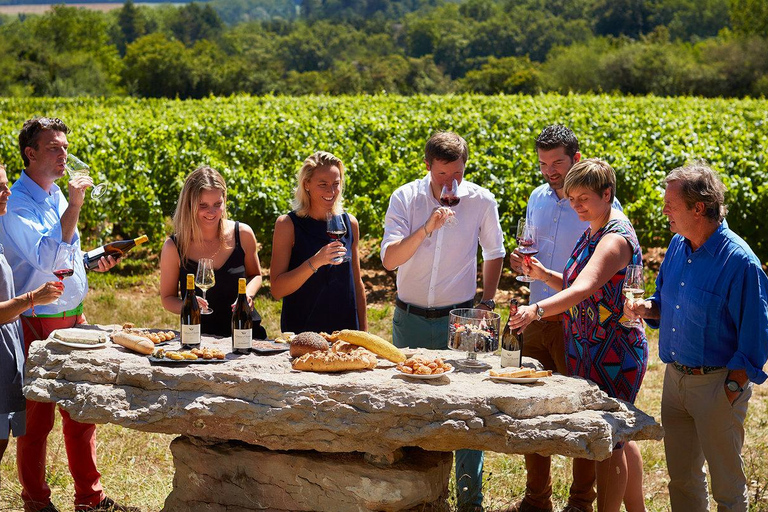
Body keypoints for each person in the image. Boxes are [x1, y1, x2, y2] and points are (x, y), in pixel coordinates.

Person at [0, 117, 138, 512]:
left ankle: (89, 500)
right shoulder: (15, 205)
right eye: (54, 148)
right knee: (37, 421)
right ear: (31, 153)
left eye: (65, 147)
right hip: (35, 321)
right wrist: (76, 205)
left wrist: (93, 260)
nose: (64, 155)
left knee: (82, 411)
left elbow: (67, 256)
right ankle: (36, 502)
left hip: (73, 316)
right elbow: (45, 259)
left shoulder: (57, 194)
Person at [624, 163, 768, 512]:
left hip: (717, 386)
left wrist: (732, 388)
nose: (663, 210)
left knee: (727, 488)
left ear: (698, 208)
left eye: (670, 204)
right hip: (675, 383)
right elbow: (666, 302)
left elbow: (757, 333)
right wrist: (646, 308)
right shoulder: (678, 245)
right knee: (683, 480)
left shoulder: (739, 262)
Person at [508, 158, 647, 512]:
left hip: (613, 353)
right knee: (620, 434)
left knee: (609, 439)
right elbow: (574, 282)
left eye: (583, 198)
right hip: (589, 348)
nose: (576, 205)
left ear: (607, 193)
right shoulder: (594, 228)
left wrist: (536, 309)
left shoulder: (614, 237)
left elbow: (585, 287)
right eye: (572, 199)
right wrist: (542, 274)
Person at [381, 131, 505, 512]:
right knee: (408, 407)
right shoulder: (405, 198)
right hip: (410, 319)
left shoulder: (481, 200)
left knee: (466, 412)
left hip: (459, 321)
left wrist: (485, 301)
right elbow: (389, 260)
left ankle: (471, 503)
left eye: (458, 174)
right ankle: (413, 500)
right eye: (442, 175)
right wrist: (428, 228)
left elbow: (495, 251)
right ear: (427, 166)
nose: (451, 184)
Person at [0, 163, 64, 471]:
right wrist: (32, 299)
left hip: (7, 350)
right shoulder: (17, 212)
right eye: (0, 188)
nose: (7, 192)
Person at [160, 166, 266, 339]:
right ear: (189, 204)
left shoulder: (243, 234)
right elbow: (167, 298)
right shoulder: (174, 247)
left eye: (218, 204)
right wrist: (189, 306)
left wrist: (248, 294)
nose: (212, 212)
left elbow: (256, 275)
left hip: (245, 334)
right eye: (203, 205)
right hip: (198, 337)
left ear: (225, 200)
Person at [270, 151, 367, 333]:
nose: (331, 191)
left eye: (336, 184)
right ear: (307, 184)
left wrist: (363, 334)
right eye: (323, 184)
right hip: (304, 331)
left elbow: (356, 282)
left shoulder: (350, 223)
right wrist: (316, 261)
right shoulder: (288, 225)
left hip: (345, 333)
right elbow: (277, 290)